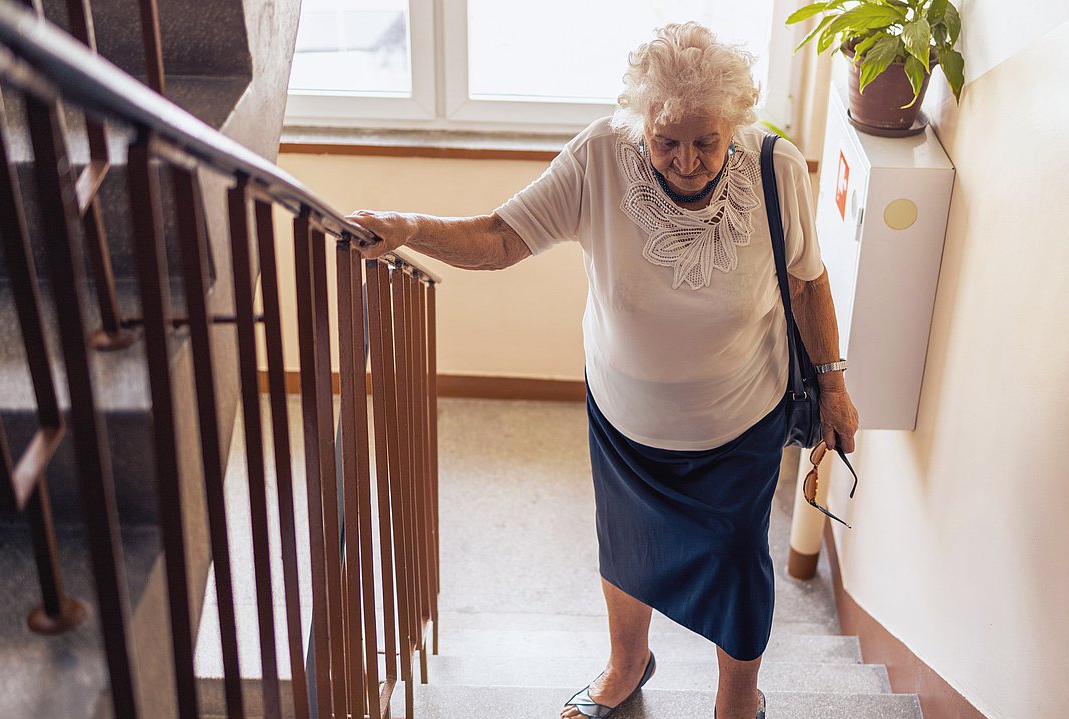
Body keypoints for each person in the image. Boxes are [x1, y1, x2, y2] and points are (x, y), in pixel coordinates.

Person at [347, 21, 858, 719]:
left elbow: (807, 282)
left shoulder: (774, 169)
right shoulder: (599, 158)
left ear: (733, 125)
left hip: (739, 424)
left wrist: (833, 383)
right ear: (640, 121)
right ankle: (626, 664)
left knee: (739, 565)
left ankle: (738, 697)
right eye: (665, 139)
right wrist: (412, 227)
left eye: (705, 142)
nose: (684, 161)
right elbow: (501, 237)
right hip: (627, 422)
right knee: (628, 550)